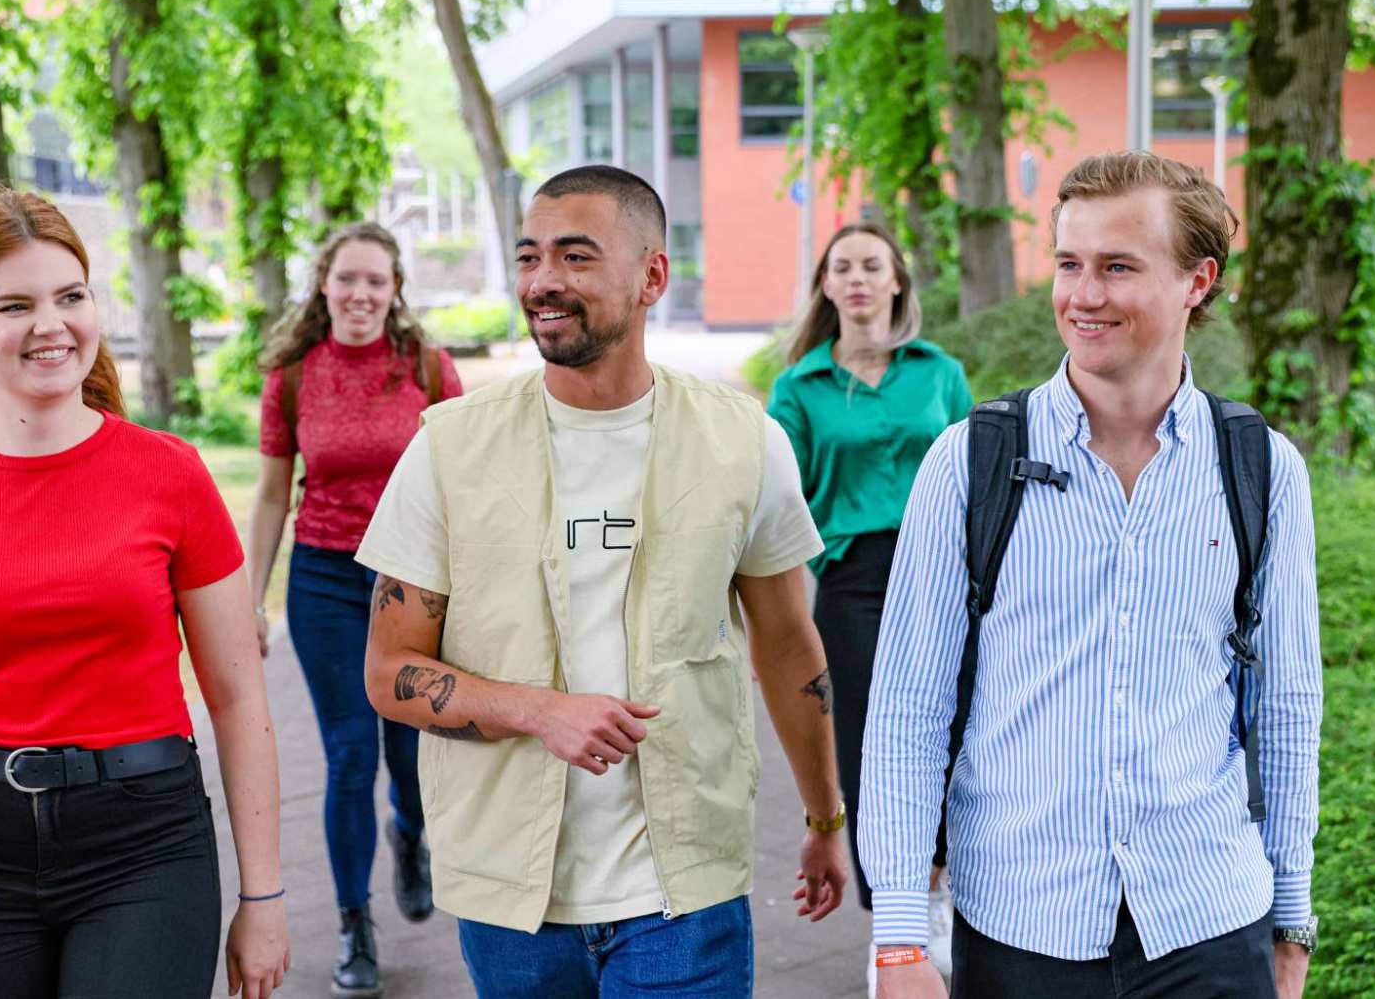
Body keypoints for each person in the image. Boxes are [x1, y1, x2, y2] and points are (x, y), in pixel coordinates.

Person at [355, 164, 852, 998]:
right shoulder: (448, 448)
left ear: (653, 274)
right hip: (514, 901)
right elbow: (387, 672)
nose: (544, 281)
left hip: (685, 895)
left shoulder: (744, 440)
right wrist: (536, 710)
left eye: (577, 256)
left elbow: (787, 643)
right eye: (530, 257)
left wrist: (824, 816)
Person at [862, 151, 1323, 999]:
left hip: (1210, 922)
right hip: (1019, 926)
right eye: (1069, 264)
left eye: (1118, 267)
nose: (1083, 295)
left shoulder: (1262, 468)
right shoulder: (970, 464)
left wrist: (1291, 919)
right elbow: (906, 709)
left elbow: (1286, 705)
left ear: (1197, 280)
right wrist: (897, 938)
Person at [0, 190, 291, 999]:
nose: (53, 324)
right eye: (16, 305)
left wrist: (264, 897)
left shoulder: (170, 474)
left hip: (145, 846)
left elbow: (236, 694)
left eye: (70, 297)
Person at [244, 221, 462, 997]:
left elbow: (461, 488)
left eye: (376, 281)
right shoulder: (294, 377)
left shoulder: (430, 373)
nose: (361, 294)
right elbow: (272, 494)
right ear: (324, 285)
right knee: (347, 755)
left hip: (412, 585)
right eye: (348, 279)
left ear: (394, 289)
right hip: (324, 582)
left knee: (407, 752)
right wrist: (250, 599)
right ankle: (353, 924)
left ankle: (411, 831)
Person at [763, 221, 973, 988]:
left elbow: (977, 470)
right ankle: (893, 919)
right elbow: (774, 490)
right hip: (852, 580)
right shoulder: (800, 386)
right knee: (866, 742)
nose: (856, 278)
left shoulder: (939, 372)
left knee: (949, 730)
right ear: (826, 286)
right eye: (841, 266)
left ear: (895, 283)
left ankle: (940, 895)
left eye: (871, 265)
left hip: (944, 575)